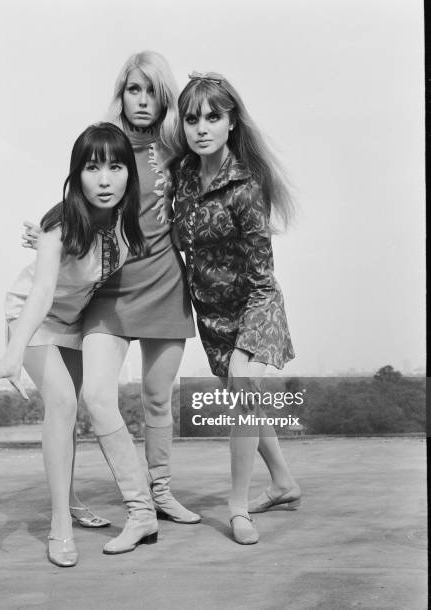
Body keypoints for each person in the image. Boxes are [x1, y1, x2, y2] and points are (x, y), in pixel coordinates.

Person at [23, 51, 200, 526]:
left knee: (158, 399)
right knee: (98, 395)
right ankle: (137, 500)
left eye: (153, 91)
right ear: (121, 93)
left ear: (165, 99)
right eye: (133, 89)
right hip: (110, 292)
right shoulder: (109, 144)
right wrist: (47, 232)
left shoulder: (177, 152)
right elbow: (81, 194)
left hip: (165, 287)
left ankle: (161, 492)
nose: (142, 101)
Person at [0, 123, 157, 567]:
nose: (105, 179)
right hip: (32, 320)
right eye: (92, 169)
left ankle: (70, 502)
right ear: (77, 176)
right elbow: (43, 291)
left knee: (67, 416)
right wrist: (14, 352)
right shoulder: (59, 222)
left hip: (73, 323)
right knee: (63, 405)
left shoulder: (126, 228)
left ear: (130, 173)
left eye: (115, 167)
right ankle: (59, 525)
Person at [169, 72, 301, 545]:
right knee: (249, 405)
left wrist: (252, 332)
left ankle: (237, 507)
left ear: (231, 123)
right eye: (191, 119)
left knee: (243, 398)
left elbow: (263, 277)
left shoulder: (246, 186)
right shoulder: (181, 176)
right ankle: (284, 483)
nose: (201, 127)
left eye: (212, 117)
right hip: (211, 315)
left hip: (254, 306)